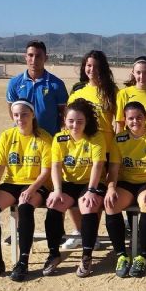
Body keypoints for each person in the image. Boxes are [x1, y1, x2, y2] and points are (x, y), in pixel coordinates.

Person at [0, 100, 52, 281]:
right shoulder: (7, 136)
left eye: (24, 114)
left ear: (32, 115)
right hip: (12, 183)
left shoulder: (44, 137)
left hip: (37, 184)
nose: (20, 118)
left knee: (25, 207)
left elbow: (46, 171)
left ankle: (23, 262)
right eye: (16, 115)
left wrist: (32, 189)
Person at [45, 99, 107, 277]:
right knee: (54, 205)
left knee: (88, 205)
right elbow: (56, 166)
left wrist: (91, 190)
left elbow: (98, 165)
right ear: (64, 120)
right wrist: (57, 190)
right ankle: (54, 254)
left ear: (87, 121)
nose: (75, 125)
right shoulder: (60, 138)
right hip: (69, 183)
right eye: (71, 121)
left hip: (92, 182)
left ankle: (86, 256)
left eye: (80, 121)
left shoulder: (96, 137)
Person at [63, 50, 118, 249]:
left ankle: (91, 234)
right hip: (80, 148)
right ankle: (79, 231)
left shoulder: (111, 91)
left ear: (103, 68)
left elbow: (119, 122)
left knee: (96, 191)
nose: (91, 69)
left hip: (105, 147)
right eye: (88, 65)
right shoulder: (78, 90)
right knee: (74, 185)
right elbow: (69, 121)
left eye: (96, 66)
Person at [104, 101, 146, 278]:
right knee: (111, 204)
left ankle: (142, 256)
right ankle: (121, 255)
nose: (135, 121)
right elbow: (113, 170)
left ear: (145, 118)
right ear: (125, 120)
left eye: (139, 117)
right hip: (127, 183)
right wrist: (111, 188)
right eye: (130, 118)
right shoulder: (119, 139)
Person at [6, 40, 68, 136]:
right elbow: (12, 111)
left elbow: (64, 114)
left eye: (38, 56)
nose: (34, 60)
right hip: (24, 139)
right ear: (25, 57)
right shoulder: (14, 83)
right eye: (30, 55)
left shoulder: (57, 84)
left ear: (45, 58)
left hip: (49, 139)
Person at [115, 56, 146, 134]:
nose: (142, 76)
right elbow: (120, 124)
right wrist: (118, 140)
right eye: (138, 72)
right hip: (131, 140)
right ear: (133, 73)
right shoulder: (123, 94)